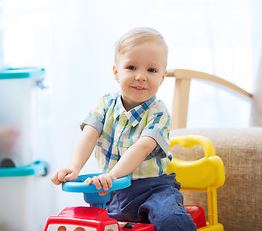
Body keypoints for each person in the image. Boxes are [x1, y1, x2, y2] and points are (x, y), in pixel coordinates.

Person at [51, 27, 196, 231]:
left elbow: (142, 147)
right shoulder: (104, 104)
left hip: (153, 188)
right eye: (131, 67)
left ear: (162, 78)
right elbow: (88, 136)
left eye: (151, 70)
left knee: (170, 219)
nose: (140, 76)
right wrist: (74, 167)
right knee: (86, 223)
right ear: (116, 72)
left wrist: (113, 175)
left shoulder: (159, 113)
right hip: (112, 192)